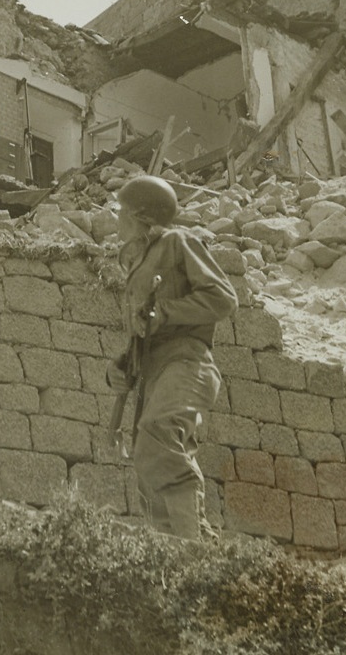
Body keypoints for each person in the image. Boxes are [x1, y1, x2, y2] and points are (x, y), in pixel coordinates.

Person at [111, 174, 238, 540]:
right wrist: (121, 365)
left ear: (140, 215)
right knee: (149, 462)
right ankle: (181, 549)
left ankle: (190, 545)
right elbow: (144, 329)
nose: (116, 218)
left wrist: (165, 312)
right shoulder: (136, 266)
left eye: (121, 211)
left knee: (158, 434)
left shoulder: (177, 242)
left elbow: (223, 299)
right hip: (154, 373)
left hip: (186, 363)